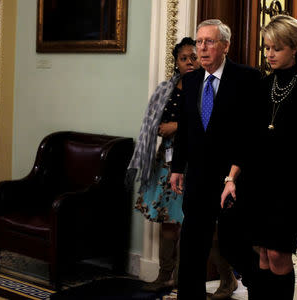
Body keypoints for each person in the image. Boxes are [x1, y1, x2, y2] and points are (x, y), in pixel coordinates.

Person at [221, 15, 297, 299]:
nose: (269, 54)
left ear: (295, 48)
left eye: (277, 48)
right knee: (261, 253)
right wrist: (231, 178)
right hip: (258, 180)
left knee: (277, 252)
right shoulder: (262, 86)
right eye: (266, 48)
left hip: (296, 184)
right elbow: (247, 140)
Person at [170, 19, 261, 300]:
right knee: (192, 246)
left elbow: (251, 132)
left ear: (225, 46)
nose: (202, 48)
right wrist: (177, 168)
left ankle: (263, 291)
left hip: (233, 178)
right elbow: (184, 127)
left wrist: (234, 175)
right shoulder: (192, 79)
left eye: (209, 42)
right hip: (197, 177)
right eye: (199, 42)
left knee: (236, 245)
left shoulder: (247, 78)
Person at [127, 37, 199, 291]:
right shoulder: (165, 89)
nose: (189, 62)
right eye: (184, 58)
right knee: (167, 219)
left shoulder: (207, 87)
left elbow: (208, 122)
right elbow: (152, 120)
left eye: (194, 57)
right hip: (166, 160)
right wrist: (160, 129)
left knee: (197, 221)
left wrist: (175, 127)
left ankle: (206, 277)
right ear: (176, 63)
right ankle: (164, 276)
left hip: (195, 161)